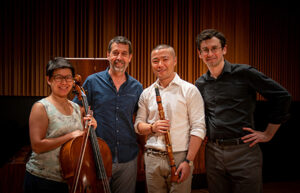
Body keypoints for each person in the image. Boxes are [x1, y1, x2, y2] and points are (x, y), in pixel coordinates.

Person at [195, 29, 292, 193]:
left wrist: (268, 134)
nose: (210, 53)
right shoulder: (200, 83)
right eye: (205, 50)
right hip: (213, 152)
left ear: (224, 49)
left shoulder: (245, 73)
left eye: (214, 48)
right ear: (199, 53)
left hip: (244, 152)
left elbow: (282, 97)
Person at [73, 36, 143, 193]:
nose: (119, 57)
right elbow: (76, 110)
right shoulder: (92, 81)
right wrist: (86, 117)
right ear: (108, 55)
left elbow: (140, 119)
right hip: (99, 156)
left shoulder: (137, 87)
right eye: (115, 52)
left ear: (130, 57)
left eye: (124, 53)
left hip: (128, 158)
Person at [134, 44, 206, 193]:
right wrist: (152, 127)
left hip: (180, 157)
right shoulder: (146, 93)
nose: (160, 65)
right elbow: (138, 125)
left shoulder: (190, 90)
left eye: (165, 59)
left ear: (175, 61)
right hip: (152, 157)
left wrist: (188, 161)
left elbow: (199, 128)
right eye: (155, 61)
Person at [23, 57, 97, 193]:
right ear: (48, 80)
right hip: (43, 179)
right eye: (58, 77)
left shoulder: (77, 108)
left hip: (69, 179)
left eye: (69, 78)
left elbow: (79, 141)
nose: (64, 82)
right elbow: (37, 146)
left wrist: (91, 127)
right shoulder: (41, 107)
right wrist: (70, 136)